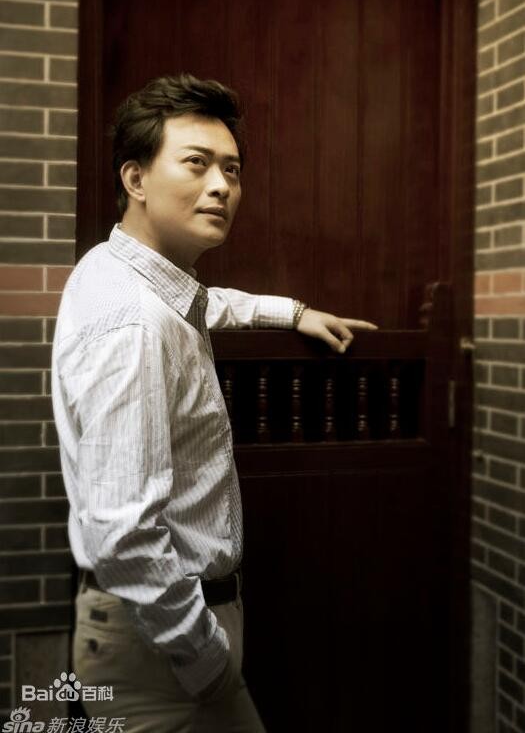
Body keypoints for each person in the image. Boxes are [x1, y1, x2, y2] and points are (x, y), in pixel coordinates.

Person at [51, 73, 377, 732]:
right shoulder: (135, 325)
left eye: (231, 168)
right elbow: (124, 533)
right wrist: (204, 659)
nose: (222, 185)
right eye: (196, 163)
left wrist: (291, 312)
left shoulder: (116, 270)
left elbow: (203, 303)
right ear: (136, 178)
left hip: (148, 633)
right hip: (161, 650)